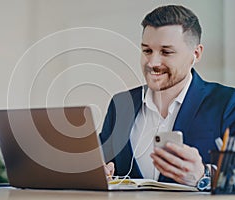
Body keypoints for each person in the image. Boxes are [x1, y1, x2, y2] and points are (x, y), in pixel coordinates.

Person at [99, 5, 235, 190]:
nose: (153, 63)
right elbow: (102, 165)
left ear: (196, 54)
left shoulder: (227, 103)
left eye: (166, 52)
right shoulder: (121, 104)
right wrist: (99, 172)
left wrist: (203, 176)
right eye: (147, 51)